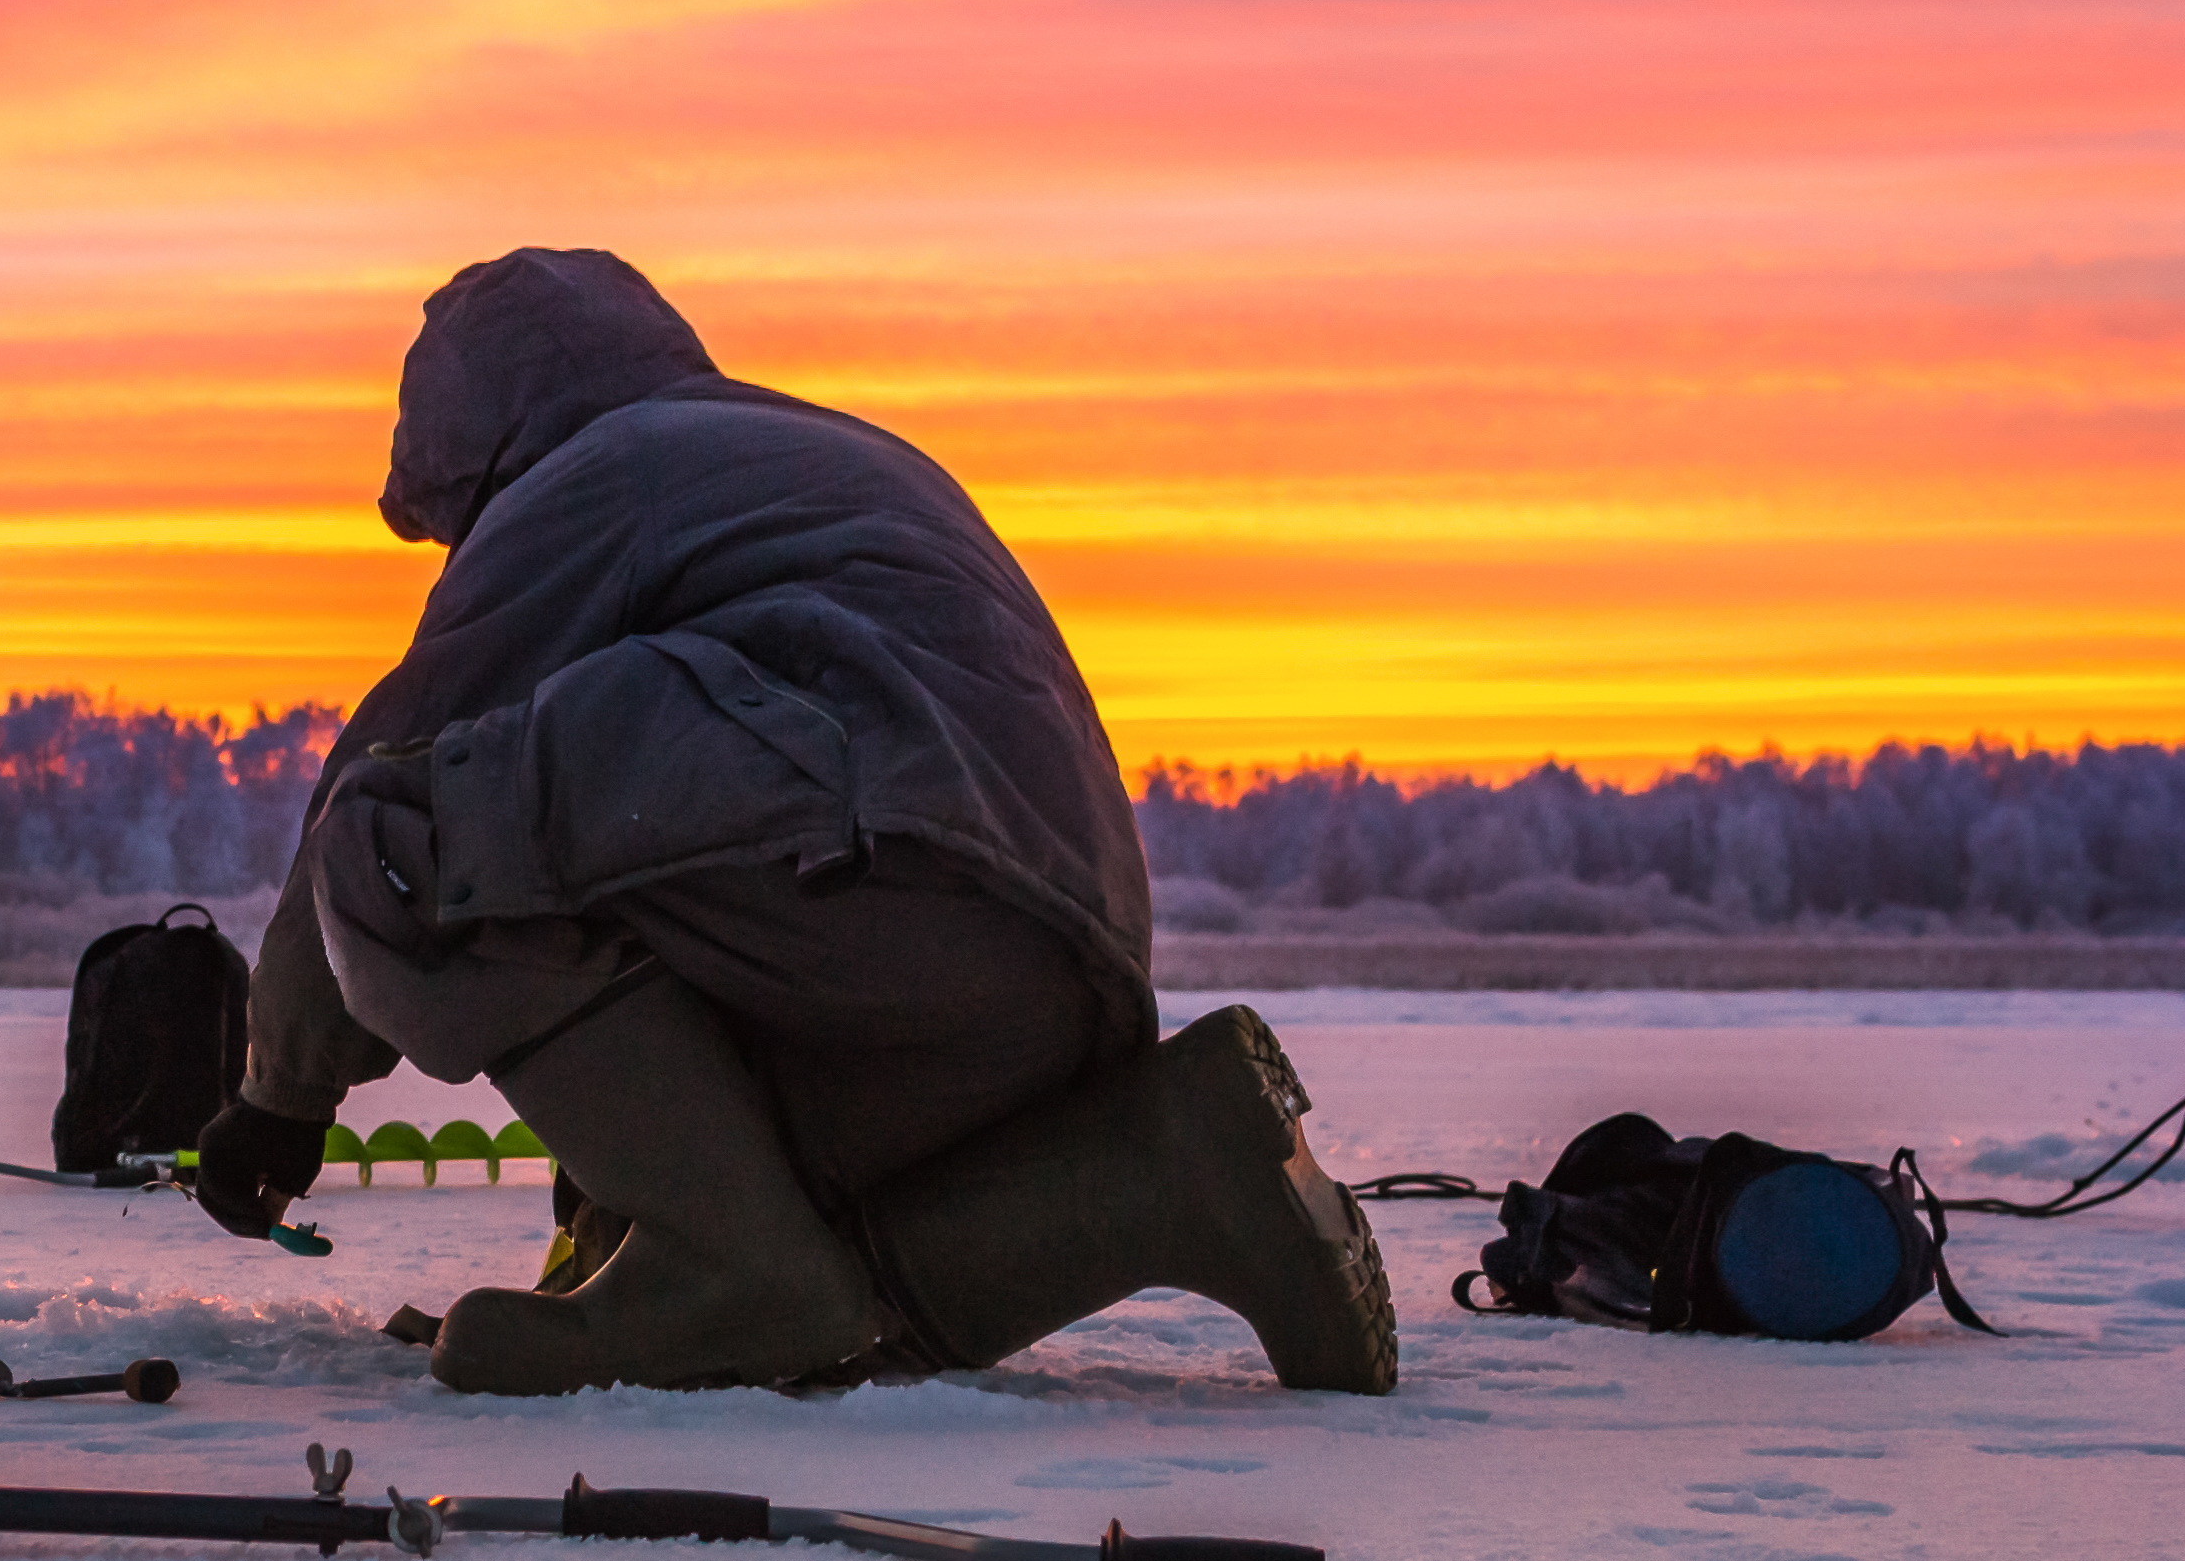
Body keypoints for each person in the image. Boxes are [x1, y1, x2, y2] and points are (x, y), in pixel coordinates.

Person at [189, 248, 1395, 1398]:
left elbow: (369, 800)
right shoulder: (809, 450)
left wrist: (280, 1099)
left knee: (404, 839)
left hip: (883, 893)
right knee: (844, 1293)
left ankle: (726, 1265)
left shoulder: (596, 475)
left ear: (474, 448)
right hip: (1035, 991)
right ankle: (1176, 1160)